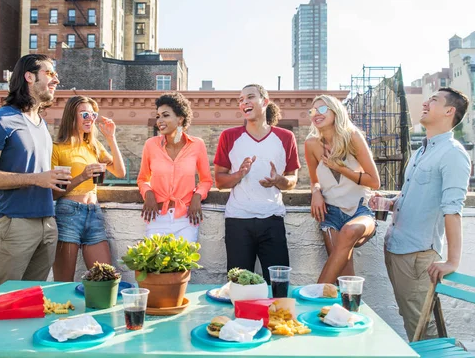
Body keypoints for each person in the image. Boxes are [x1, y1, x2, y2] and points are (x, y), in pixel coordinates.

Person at [0, 54, 71, 289]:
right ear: (29, 77)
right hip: (15, 223)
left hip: (47, 223)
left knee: (31, 302)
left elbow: (42, 175)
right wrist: (38, 179)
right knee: (4, 301)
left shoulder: (41, 123)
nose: (56, 80)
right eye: (49, 73)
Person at [382, 87, 470, 341]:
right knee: (414, 321)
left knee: (423, 328)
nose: (425, 103)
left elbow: (453, 209)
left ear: (449, 111)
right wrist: (389, 202)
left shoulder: (453, 154)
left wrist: (452, 261)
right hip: (397, 250)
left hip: (417, 257)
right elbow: (412, 195)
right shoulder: (421, 150)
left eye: (433, 100)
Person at [214, 84, 300, 284]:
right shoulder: (229, 136)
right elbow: (219, 181)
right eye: (241, 99)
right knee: (238, 286)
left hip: (272, 219)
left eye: (250, 97)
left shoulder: (286, 137)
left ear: (265, 101)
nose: (244, 102)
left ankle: (276, 316)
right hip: (237, 220)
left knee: (278, 285)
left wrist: (279, 180)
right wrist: (239, 174)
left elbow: (293, 180)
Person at [304, 95, 381, 285]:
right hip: (330, 214)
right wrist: (315, 193)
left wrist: (340, 168)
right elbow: (315, 182)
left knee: (349, 230)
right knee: (345, 278)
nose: (316, 114)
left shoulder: (353, 137)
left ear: (335, 111)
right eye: (312, 111)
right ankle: (347, 312)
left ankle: (314, 295)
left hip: (359, 210)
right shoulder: (311, 144)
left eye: (322, 109)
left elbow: (374, 181)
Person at [51, 96, 126, 282]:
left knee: (106, 279)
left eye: (93, 114)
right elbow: (52, 193)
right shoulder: (57, 148)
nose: (90, 118)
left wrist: (111, 137)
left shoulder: (94, 146)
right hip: (67, 213)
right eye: (85, 113)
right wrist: (83, 176)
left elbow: (120, 172)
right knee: (62, 282)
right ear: (71, 116)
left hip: (93, 213)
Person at [137, 92, 213, 242]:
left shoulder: (197, 145)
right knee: (153, 265)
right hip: (156, 216)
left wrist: (197, 196)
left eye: (165, 115)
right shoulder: (150, 145)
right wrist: (149, 193)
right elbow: (142, 179)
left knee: (183, 264)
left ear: (180, 119)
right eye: (158, 116)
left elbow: (206, 180)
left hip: (186, 218)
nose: (159, 120)